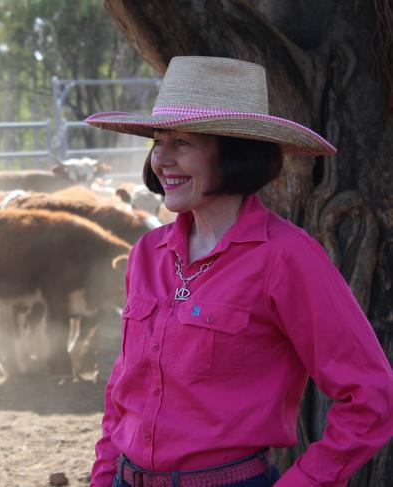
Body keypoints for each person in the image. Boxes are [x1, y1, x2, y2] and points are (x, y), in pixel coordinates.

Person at [85, 56, 393, 487]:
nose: (162, 160)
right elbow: (124, 390)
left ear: (235, 152)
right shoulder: (147, 253)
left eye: (183, 143)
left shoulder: (287, 257)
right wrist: (102, 477)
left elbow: (371, 394)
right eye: (158, 141)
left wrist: (305, 481)